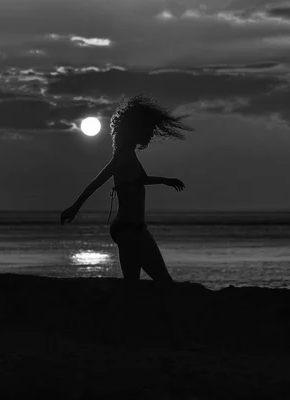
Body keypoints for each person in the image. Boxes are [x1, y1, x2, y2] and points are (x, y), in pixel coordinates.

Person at [60, 94, 197, 348]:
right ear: (135, 129)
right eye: (147, 130)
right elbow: (98, 183)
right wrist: (74, 207)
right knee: (165, 285)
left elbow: (134, 180)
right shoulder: (123, 156)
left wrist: (165, 181)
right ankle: (178, 338)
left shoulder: (126, 156)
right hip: (131, 231)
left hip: (130, 230)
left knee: (132, 289)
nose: (149, 136)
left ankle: (116, 335)